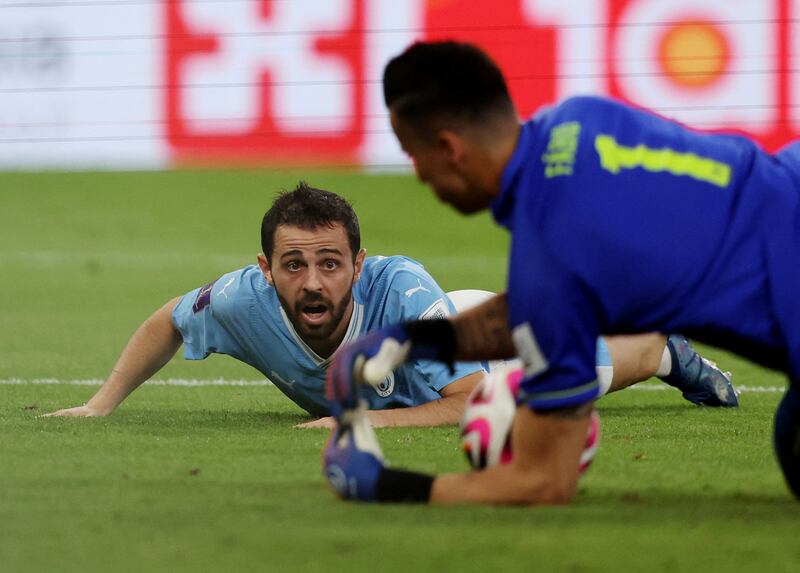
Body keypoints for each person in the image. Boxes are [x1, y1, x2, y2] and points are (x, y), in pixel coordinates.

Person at [322, 40, 800, 504]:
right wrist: (410, 341)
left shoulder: (555, 258)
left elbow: (541, 482)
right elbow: (547, 304)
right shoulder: (579, 118)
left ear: (450, 148)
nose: (419, 175)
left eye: (413, 155)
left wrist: (384, 485)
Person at [44, 183, 732, 428]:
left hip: (468, 342)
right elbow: (170, 318)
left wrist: (352, 426)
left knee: (603, 363)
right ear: (266, 269)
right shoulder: (241, 299)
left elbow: (466, 401)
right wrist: (101, 402)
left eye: (330, 263)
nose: (313, 281)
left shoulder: (399, 290)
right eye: (293, 265)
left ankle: (670, 350)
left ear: (359, 265)